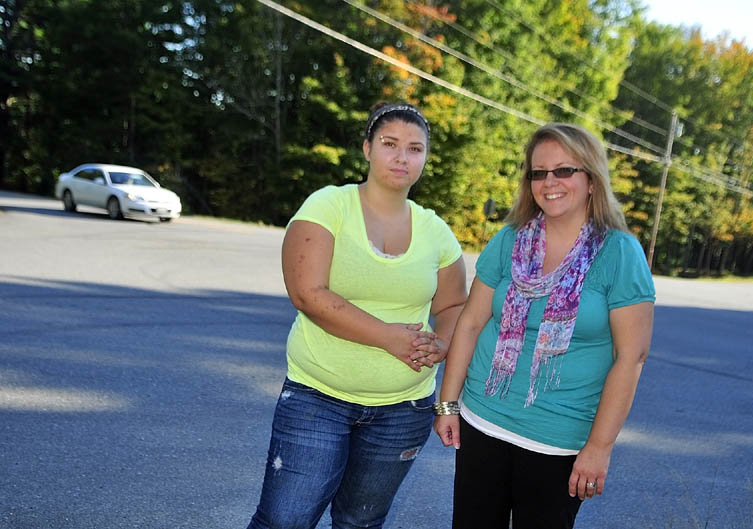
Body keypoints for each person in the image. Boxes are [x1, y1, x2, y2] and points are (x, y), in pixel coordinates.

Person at [245, 102, 467, 529]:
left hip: (404, 411)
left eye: (415, 149)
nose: (402, 157)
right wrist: (390, 337)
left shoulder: (436, 231)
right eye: (390, 144)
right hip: (317, 398)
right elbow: (307, 293)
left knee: (359, 523)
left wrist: (442, 345)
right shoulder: (328, 206)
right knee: (283, 521)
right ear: (367, 148)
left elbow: (454, 306)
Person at [433, 122, 655, 529]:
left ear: (591, 180)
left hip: (557, 441)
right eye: (539, 172)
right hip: (482, 421)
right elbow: (469, 324)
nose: (549, 182)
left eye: (564, 170)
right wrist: (447, 405)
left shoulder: (620, 253)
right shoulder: (509, 239)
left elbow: (631, 358)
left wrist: (599, 447)